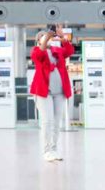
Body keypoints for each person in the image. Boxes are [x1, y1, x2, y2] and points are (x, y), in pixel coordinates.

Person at [29, 25, 74, 162]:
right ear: (39, 41)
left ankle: (54, 149)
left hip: (59, 92)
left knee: (56, 122)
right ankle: (47, 151)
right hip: (44, 92)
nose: (48, 39)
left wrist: (62, 37)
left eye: (48, 37)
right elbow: (38, 55)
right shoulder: (36, 51)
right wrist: (46, 38)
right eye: (44, 37)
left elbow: (69, 51)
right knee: (47, 121)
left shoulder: (57, 50)